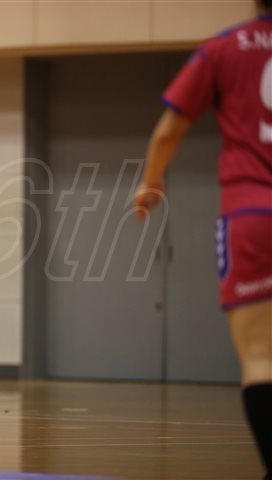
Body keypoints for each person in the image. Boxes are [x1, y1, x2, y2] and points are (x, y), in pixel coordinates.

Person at [135, 1, 272, 478]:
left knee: (260, 357)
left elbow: (168, 131)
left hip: (252, 212)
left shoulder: (223, 48)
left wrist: (152, 181)